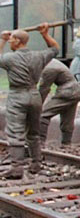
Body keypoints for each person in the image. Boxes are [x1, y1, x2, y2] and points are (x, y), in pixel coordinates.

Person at [0, 23, 59, 174]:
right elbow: (54, 49)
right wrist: (45, 34)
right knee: (33, 132)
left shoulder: (10, 58)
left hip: (17, 96)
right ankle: (36, 164)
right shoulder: (38, 56)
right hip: (35, 95)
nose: (10, 41)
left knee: (15, 132)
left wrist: (2, 40)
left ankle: (16, 167)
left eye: (12, 39)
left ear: (18, 41)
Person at [39, 58, 80, 146]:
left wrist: (37, 106)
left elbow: (44, 89)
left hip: (67, 92)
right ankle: (66, 143)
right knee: (67, 120)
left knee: (43, 115)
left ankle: (39, 142)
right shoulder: (52, 61)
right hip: (76, 91)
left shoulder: (48, 69)